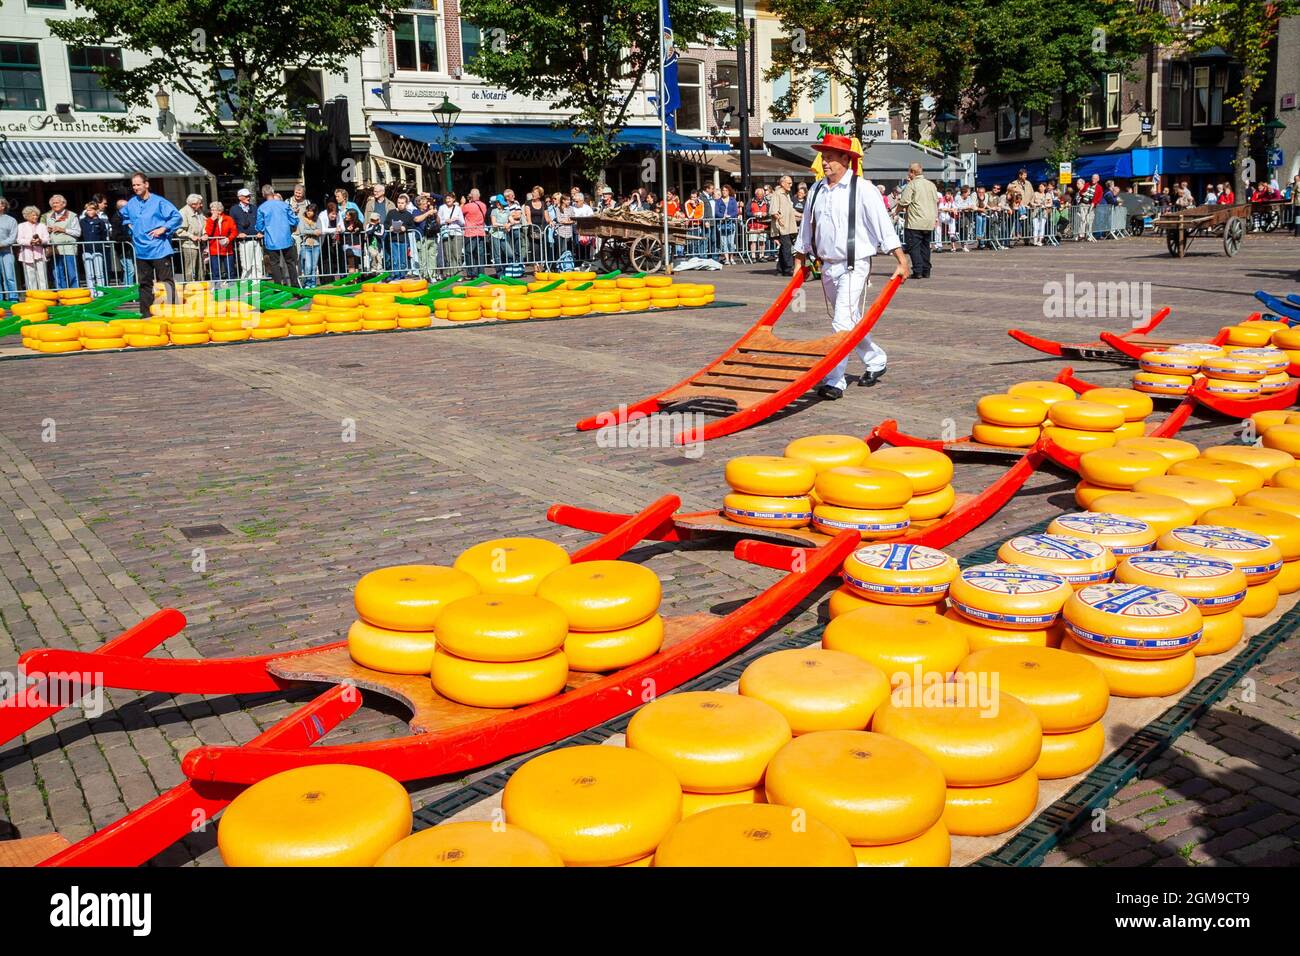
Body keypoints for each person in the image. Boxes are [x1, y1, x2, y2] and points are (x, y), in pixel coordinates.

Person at [793, 133, 909, 401]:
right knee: (849, 322)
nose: (825, 163)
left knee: (841, 321)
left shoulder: (863, 188)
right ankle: (876, 359)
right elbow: (807, 228)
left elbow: (883, 226)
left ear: (846, 159)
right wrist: (801, 259)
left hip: (854, 265)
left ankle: (835, 380)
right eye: (824, 157)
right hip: (827, 267)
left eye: (831, 157)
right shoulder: (817, 190)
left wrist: (901, 260)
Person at [120, 172, 182, 317]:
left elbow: (176, 217)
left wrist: (163, 228)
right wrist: (128, 224)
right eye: (133, 185)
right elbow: (124, 215)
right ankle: (146, 313)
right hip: (141, 249)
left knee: (166, 281)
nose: (135, 187)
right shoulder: (132, 203)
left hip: (159, 247)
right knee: (144, 283)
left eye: (138, 184)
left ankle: (173, 311)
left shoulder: (159, 202)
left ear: (146, 184)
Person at [897, 163, 938, 279]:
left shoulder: (912, 185)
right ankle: (926, 270)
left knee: (914, 247)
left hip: (915, 221)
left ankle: (918, 271)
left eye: (909, 171)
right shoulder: (931, 185)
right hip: (928, 221)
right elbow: (936, 201)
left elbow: (904, 201)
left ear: (912, 172)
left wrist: (896, 212)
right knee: (925, 247)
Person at [255, 189, 300, 286]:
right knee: (290, 263)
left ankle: (278, 287)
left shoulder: (262, 208)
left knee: (274, 264)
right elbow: (293, 220)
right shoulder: (284, 205)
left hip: (272, 240)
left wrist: (261, 230)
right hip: (286, 238)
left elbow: (259, 225)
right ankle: (295, 286)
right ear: (273, 192)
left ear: (263, 194)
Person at [43, 196, 81, 289]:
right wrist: (46, 230)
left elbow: (78, 232)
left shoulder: (72, 215)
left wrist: (63, 229)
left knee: (72, 273)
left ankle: (75, 293)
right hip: (54, 249)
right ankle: (61, 293)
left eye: (57, 202)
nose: (55, 205)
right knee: (57, 273)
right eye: (53, 203)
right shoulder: (48, 216)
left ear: (63, 204)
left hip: (68, 248)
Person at [78, 199, 110, 294]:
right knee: (89, 273)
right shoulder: (82, 222)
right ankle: (91, 292)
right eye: (87, 210)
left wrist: (102, 245)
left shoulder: (100, 222)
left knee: (99, 272)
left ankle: (100, 292)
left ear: (96, 210)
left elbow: (104, 235)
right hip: (86, 249)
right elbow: (80, 236)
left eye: (91, 210)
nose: (89, 212)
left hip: (97, 249)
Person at [768, 175, 797, 276]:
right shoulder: (777, 194)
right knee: (787, 246)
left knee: (784, 247)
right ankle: (788, 268)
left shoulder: (787, 194)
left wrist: (802, 215)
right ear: (782, 183)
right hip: (782, 226)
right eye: (789, 183)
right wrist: (778, 219)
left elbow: (791, 209)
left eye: (791, 183)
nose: (791, 185)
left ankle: (780, 269)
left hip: (788, 225)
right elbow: (773, 210)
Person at [16, 206, 51, 292]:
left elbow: (47, 239)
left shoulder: (42, 226)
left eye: (36, 215)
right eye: (33, 215)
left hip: (39, 253)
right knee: (30, 276)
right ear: (27, 216)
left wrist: (41, 241)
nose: (35, 217)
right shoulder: (21, 226)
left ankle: (44, 294)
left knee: (42, 275)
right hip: (26, 254)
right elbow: (19, 240)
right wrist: (30, 242)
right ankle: (33, 295)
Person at [230, 188, 262, 280]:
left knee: (258, 263)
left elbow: (259, 222)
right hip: (244, 241)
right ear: (240, 197)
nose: (248, 198)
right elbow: (232, 225)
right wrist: (238, 233)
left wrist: (260, 231)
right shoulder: (234, 209)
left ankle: (257, 282)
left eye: (249, 196)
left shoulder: (254, 208)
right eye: (246, 196)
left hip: (256, 240)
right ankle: (245, 283)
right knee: (247, 264)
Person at [204, 201, 237, 285]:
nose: (212, 212)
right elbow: (208, 232)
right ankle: (217, 287)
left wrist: (228, 239)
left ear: (219, 211)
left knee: (230, 269)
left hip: (227, 248)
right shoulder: (209, 220)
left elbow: (234, 232)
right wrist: (211, 221)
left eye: (214, 210)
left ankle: (231, 286)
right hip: (214, 248)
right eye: (211, 210)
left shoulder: (228, 219)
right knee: (215, 270)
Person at [177, 194, 207, 281]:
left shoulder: (199, 211)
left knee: (201, 268)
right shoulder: (183, 212)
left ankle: (201, 285)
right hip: (189, 245)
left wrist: (205, 234)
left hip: (200, 244)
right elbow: (179, 231)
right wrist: (191, 236)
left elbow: (204, 224)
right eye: (199, 203)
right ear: (193, 204)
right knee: (190, 268)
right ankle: (190, 287)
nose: (201, 205)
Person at [437, 192, 465, 273]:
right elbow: (438, 221)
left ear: (453, 199)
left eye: (450, 198)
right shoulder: (442, 208)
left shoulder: (458, 208)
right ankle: (449, 273)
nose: (448, 200)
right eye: (447, 198)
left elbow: (463, 223)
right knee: (448, 254)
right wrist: (445, 221)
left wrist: (457, 219)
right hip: (446, 232)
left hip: (457, 232)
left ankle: (458, 273)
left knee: (457, 254)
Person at [296, 204, 323, 287]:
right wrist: (313, 232)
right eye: (308, 210)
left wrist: (311, 231)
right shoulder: (302, 219)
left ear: (314, 212)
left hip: (316, 245)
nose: (309, 212)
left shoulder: (317, 219)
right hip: (306, 245)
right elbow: (302, 231)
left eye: (311, 211)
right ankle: (307, 282)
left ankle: (313, 283)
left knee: (314, 266)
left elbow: (320, 231)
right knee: (308, 266)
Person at [747, 186, 770, 262]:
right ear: (755, 195)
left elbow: (769, 212)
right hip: (753, 224)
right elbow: (747, 212)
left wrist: (765, 214)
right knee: (753, 241)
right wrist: (754, 214)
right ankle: (753, 256)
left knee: (762, 241)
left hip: (762, 225)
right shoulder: (751, 201)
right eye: (758, 195)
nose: (760, 196)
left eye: (761, 195)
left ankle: (761, 255)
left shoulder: (766, 202)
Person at [0, 198, 17, 298]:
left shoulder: (11, 220)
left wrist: (2, 244)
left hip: (7, 252)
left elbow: (13, 237)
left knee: (9, 276)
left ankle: (13, 297)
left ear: (3, 206)